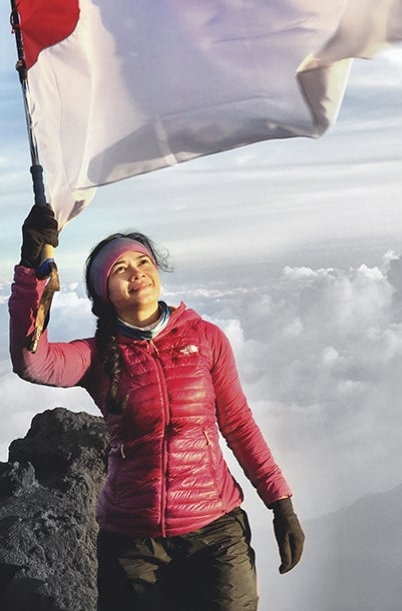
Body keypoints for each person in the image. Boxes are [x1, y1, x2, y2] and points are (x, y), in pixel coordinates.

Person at [8, 205, 304, 611]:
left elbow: (238, 424)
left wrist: (280, 502)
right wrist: (31, 269)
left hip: (215, 532)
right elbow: (32, 362)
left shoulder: (206, 338)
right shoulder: (97, 357)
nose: (136, 272)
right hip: (133, 541)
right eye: (120, 269)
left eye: (142, 261)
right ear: (102, 293)